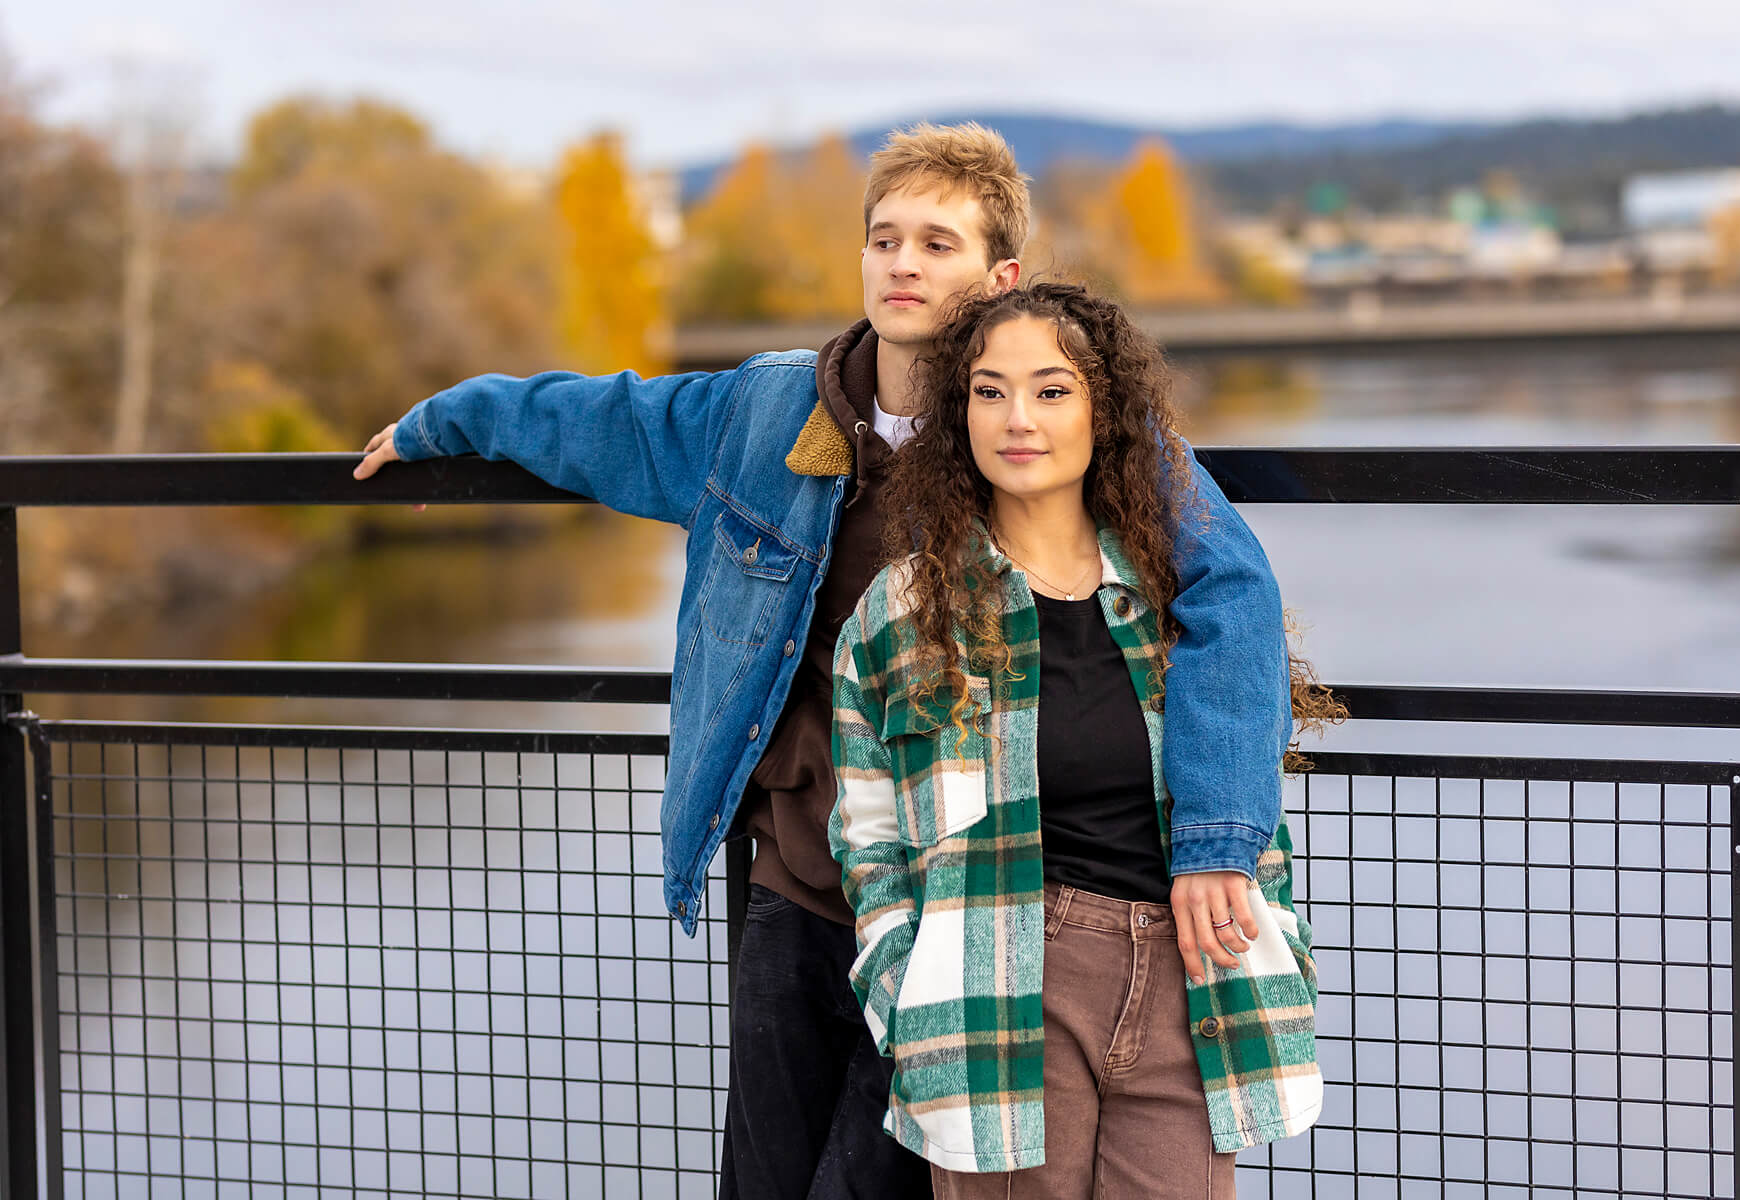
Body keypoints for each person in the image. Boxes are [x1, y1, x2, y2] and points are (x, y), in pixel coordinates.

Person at [354, 123, 1295, 1200]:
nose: (903, 263)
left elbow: (1235, 591)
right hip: (798, 883)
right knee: (766, 1179)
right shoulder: (766, 411)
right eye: (884, 238)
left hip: (968, 899)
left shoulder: (1040, 420)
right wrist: (447, 422)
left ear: (1000, 276)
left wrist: (1218, 836)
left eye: (937, 244)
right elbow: (600, 418)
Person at [829, 282, 1334, 1199]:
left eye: (1052, 390)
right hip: (1001, 988)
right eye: (989, 391)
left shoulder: (1181, 605)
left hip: (1193, 980)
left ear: (1106, 411)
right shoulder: (901, 613)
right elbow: (869, 842)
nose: (1018, 418)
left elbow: (1248, 788)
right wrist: (907, 1000)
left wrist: (1277, 931)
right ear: (959, 415)